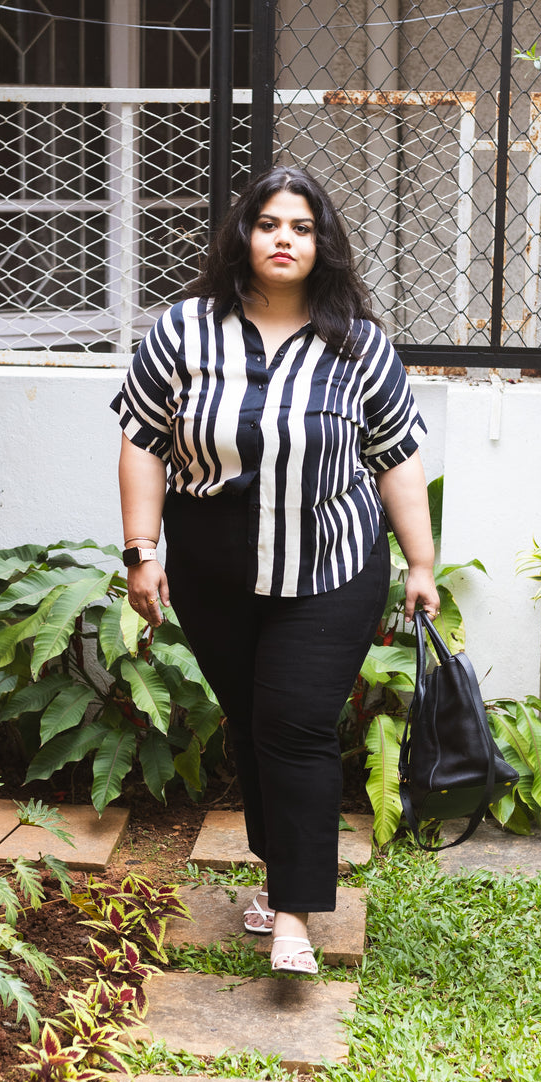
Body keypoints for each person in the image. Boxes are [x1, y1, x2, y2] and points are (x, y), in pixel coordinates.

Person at [112, 166, 439, 974]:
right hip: (216, 572)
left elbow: (396, 457)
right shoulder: (183, 332)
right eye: (268, 224)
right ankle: (277, 870)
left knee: (293, 725)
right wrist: (141, 552)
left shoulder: (358, 343)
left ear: (321, 243)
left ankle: (295, 913)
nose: (284, 238)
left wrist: (421, 562)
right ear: (243, 237)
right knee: (257, 727)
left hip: (330, 563)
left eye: (301, 226)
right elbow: (142, 442)